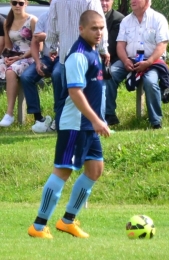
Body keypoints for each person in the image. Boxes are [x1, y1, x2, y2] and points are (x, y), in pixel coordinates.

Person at [28, 10, 110, 239]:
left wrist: (96, 120)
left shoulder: (94, 53)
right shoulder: (78, 55)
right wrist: (96, 120)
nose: (99, 32)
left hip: (89, 125)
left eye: (101, 28)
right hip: (75, 124)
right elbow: (74, 92)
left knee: (95, 170)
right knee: (62, 172)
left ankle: (67, 221)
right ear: (81, 29)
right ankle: (38, 225)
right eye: (94, 28)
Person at [105, 0, 169, 129]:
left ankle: (155, 121)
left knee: (150, 82)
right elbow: (120, 45)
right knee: (110, 73)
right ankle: (109, 115)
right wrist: (125, 61)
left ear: (147, 1)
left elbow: (162, 45)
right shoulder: (126, 21)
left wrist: (148, 62)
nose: (132, 1)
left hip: (152, 61)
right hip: (129, 59)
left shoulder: (158, 19)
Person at [45, 0, 110, 91]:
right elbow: (99, 23)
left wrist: (52, 47)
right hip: (88, 55)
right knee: (92, 95)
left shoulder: (56, 1)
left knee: (69, 96)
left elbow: (51, 26)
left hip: (66, 55)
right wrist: (103, 49)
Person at [20, 6, 62, 133]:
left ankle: (58, 117)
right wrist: (37, 62)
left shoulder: (69, 16)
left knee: (57, 74)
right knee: (26, 77)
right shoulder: (44, 17)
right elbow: (35, 42)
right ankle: (39, 118)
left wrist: (46, 36)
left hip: (64, 58)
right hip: (46, 58)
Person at [0, 0, 37, 127]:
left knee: (11, 71)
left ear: (26, 4)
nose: (17, 6)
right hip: (14, 56)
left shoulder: (32, 20)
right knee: (6, 66)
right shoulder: (7, 22)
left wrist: (19, 57)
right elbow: (8, 46)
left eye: (20, 3)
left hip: (30, 56)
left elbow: (39, 47)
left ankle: (9, 114)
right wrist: (7, 57)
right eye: (14, 2)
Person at [100, 0, 124, 125]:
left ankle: (109, 114)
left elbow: (112, 47)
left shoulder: (118, 19)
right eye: (101, 0)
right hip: (96, 57)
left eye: (107, 0)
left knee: (108, 75)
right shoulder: (90, 16)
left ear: (112, 2)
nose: (104, 3)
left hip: (113, 58)